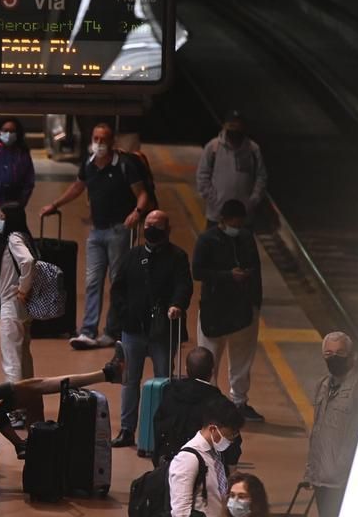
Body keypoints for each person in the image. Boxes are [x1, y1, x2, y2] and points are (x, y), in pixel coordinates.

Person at [40, 122, 151, 351]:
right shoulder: (89, 164)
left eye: (103, 139)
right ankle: (88, 331)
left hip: (119, 231)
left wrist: (137, 213)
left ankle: (112, 331)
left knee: (117, 281)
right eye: (96, 138)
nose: (98, 143)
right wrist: (55, 204)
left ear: (112, 142)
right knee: (92, 281)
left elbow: (142, 194)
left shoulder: (124, 165)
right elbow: (77, 187)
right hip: (96, 231)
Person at [108, 210, 192, 448]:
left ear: (167, 230)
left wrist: (176, 305)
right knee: (129, 381)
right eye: (148, 225)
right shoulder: (132, 256)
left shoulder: (177, 257)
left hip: (163, 330)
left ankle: (160, 432)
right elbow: (117, 288)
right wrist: (124, 314)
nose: (151, 229)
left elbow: (184, 286)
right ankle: (127, 429)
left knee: (163, 380)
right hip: (133, 329)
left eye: (157, 226)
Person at [193, 198, 265, 423]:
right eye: (234, 222)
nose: (238, 226)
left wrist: (255, 304)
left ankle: (239, 402)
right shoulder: (207, 239)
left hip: (242, 311)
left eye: (240, 222)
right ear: (223, 220)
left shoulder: (246, 238)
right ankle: (209, 405)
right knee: (208, 359)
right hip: (214, 311)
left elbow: (256, 269)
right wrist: (227, 276)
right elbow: (198, 271)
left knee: (242, 360)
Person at [304, 331, 358, 517]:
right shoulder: (322, 385)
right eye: (329, 353)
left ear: (352, 356)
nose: (334, 358)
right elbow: (317, 430)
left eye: (340, 353)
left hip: (343, 478)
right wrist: (310, 471)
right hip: (322, 477)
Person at [151, 347, 242, 468]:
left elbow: (158, 426)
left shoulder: (170, 393)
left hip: (168, 462)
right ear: (212, 371)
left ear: (186, 369)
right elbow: (232, 441)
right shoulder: (219, 403)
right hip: (204, 466)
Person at [196, 110, 269, 228]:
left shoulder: (253, 149)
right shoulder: (213, 147)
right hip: (217, 216)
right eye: (231, 125)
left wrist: (252, 201)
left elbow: (261, 176)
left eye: (238, 125)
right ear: (224, 125)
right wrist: (216, 202)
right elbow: (202, 176)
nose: (235, 129)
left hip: (244, 217)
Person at [0, 202, 36, 389]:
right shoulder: (25, 237)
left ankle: (14, 401)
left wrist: (23, 288)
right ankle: (28, 398)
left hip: (11, 302)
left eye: (2, 218)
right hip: (23, 306)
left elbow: (27, 261)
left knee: (11, 359)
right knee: (23, 356)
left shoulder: (13, 239)